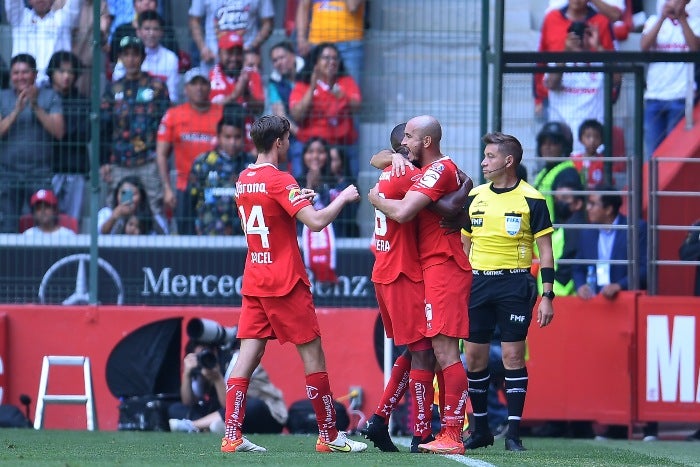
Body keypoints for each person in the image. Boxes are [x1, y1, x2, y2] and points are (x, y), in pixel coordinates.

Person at [221, 114, 366, 453]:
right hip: (284, 280)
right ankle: (329, 436)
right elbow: (315, 223)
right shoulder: (279, 179)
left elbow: (268, 212)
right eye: (288, 139)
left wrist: (296, 198)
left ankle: (231, 436)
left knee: (246, 359)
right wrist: (342, 197)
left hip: (255, 278)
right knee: (313, 356)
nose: (290, 144)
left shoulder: (243, 179)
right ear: (279, 141)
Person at [368, 115, 472, 455]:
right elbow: (380, 157)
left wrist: (375, 198)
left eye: (409, 138)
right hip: (423, 268)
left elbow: (403, 212)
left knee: (440, 352)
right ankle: (430, 430)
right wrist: (465, 191)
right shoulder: (419, 169)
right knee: (426, 352)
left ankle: (452, 434)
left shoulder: (436, 170)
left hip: (441, 265)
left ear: (426, 142)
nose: (404, 144)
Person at [461, 132, 555, 452]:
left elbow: (546, 250)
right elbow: (463, 246)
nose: (484, 162)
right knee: (474, 358)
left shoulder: (533, 199)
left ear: (508, 161)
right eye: (485, 156)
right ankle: (481, 430)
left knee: (514, 356)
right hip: (477, 283)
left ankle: (513, 434)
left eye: (490, 156)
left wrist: (548, 295)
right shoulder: (473, 196)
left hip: (514, 283)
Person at [100, 36, 170, 218]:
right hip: (119, 161)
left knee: (154, 208)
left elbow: (166, 124)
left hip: (149, 160)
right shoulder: (112, 89)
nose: (131, 59)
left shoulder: (157, 87)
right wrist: (103, 161)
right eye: (126, 54)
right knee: (116, 207)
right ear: (121, 58)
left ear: (143, 57)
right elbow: (104, 126)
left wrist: (161, 156)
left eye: (135, 54)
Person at [0, 53, 65, 233]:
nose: (20, 77)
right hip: (7, 173)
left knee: (44, 223)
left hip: (39, 173)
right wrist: (16, 111)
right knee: (7, 225)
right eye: (16, 73)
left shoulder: (49, 96)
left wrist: (35, 105)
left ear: (35, 74)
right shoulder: (2, 97)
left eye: (25, 72)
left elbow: (58, 132)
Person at [169, 339, 287, 435]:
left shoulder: (237, 362)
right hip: (226, 416)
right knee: (175, 408)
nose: (206, 359)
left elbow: (233, 406)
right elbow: (188, 402)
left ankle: (194, 426)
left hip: (264, 415)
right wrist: (187, 374)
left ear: (217, 351)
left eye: (208, 354)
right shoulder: (200, 368)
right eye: (200, 357)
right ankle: (211, 426)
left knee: (251, 405)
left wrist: (217, 378)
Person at [156, 67, 223, 235]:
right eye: (194, 84)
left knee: (215, 236)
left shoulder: (221, 114)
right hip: (184, 186)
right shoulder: (173, 115)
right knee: (185, 236)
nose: (199, 88)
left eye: (203, 83)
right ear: (185, 88)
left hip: (215, 186)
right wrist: (167, 188)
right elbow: (161, 154)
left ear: (210, 87)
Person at [536, 0, 616, 131]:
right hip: (562, 138)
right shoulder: (557, 61)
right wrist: (565, 53)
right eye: (573, 33)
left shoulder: (599, 61)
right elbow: (550, 82)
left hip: (592, 139)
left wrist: (598, 47)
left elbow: (618, 78)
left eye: (583, 33)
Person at [290, 42, 362, 178]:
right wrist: (312, 88)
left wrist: (343, 97)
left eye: (335, 58)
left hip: (342, 144)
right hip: (311, 145)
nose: (332, 62)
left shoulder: (345, 81)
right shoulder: (303, 84)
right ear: (316, 61)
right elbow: (297, 114)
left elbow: (357, 107)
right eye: (326, 58)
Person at [641, 0, 700, 156]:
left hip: (681, 97)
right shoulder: (653, 20)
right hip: (654, 96)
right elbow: (645, 46)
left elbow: (695, 49)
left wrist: (681, 19)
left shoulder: (695, 22)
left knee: (676, 153)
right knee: (653, 154)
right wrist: (661, 18)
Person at [572, 183, 647, 300]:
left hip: (624, 300)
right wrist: (581, 286)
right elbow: (578, 268)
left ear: (608, 209)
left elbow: (644, 268)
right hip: (594, 300)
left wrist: (619, 285)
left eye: (592, 204)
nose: (587, 208)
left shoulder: (635, 229)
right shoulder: (586, 232)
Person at [187, 114, 253, 236]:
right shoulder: (203, 163)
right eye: (227, 137)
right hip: (207, 237)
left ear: (244, 137)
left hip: (243, 239)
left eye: (237, 137)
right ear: (218, 137)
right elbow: (190, 201)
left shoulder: (251, 165)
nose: (232, 142)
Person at [47, 50, 90, 221]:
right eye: (61, 71)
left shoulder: (83, 101)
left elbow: (85, 134)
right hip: (48, 168)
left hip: (75, 168)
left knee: (72, 221)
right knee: (46, 221)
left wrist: (57, 131)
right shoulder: (43, 98)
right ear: (52, 73)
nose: (66, 76)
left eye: (71, 72)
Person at [208, 32, 265, 152]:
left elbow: (259, 108)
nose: (234, 58)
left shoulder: (252, 74)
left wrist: (246, 93)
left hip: (249, 142)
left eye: (238, 53)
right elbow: (212, 109)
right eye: (229, 53)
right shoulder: (211, 77)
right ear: (220, 53)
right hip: (220, 142)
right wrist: (235, 94)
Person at [5, 0, 80, 85]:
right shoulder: (20, 18)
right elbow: (12, 2)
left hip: (56, 88)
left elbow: (75, 3)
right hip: (24, 84)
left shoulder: (63, 19)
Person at [112, 10, 180, 102]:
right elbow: (116, 88)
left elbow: (172, 96)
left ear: (161, 32)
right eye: (147, 29)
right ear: (138, 32)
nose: (151, 33)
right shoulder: (126, 57)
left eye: (155, 29)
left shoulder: (171, 58)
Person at [188, 0, 275, 72]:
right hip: (213, 58)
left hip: (246, 58)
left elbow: (268, 23)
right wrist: (202, 47)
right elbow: (194, 20)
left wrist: (252, 47)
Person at [295, 0, 366, 85]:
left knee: (350, 91)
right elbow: (303, 6)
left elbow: (353, 6)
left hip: (349, 45)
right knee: (317, 89)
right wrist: (301, 38)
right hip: (318, 43)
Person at [267, 41, 305, 176]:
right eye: (275, 60)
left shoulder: (310, 71)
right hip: (296, 135)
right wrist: (301, 133)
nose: (278, 63)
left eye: (282, 58)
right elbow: (281, 116)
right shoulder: (274, 83)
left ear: (293, 56)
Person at [109, 0, 180, 72]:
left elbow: (174, 57)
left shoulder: (166, 30)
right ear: (134, 5)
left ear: (157, 5)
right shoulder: (121, 30)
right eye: (140, 0)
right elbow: (113, 60)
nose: (146, 3)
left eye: (151, 0)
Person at [532, 121, 581, 222]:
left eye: (553, 143)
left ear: (564, 147)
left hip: (558, 235)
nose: (547, 147)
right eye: (544, 143)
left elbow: (568, 211)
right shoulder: (545, 172)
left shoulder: (567, 173)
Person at [97, 175, 168, 235]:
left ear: (141, 196)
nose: (128, 199)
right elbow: (100, 233)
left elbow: (164, 237)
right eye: (124, 193)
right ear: (117, 194)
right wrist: (115, 215)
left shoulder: (154, 217)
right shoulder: (106, 213)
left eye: (133, 194)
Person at [329, 146, 360, 237]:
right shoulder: (325, 183)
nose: (330, 163)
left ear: (342, 161)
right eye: (329, 159)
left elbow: (350, 214)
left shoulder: (350, 185)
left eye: (334, 159)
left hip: (346, 232)